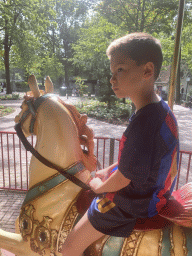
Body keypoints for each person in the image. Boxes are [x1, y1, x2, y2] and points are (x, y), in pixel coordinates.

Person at [61, 32, 179, 256]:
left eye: (120, 70)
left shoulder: (144, 122)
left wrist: (99, 186)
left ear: (147, 71)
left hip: (136, 202)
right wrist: (107, 170)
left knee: (69, 248)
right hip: (153, 191)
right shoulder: (156, 110)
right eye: (112, 72)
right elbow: (133, 162)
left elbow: (125, 177)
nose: (112, 79)